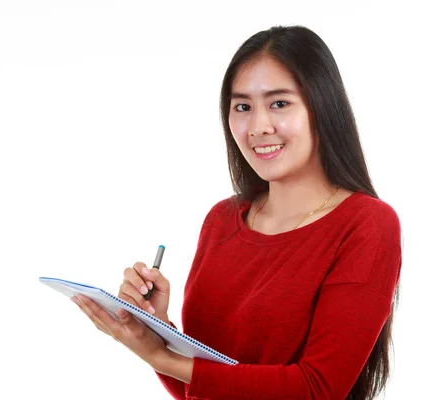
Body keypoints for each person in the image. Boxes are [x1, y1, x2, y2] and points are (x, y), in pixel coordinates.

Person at [71, 25, 402, 400]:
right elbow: (202, 390)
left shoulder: (366, 224)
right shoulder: (221, 221)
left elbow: (318, 389)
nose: (258, 127)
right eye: (242, 107)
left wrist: (161, 357)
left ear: (321, 107)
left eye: (279, 103)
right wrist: (158, 329)